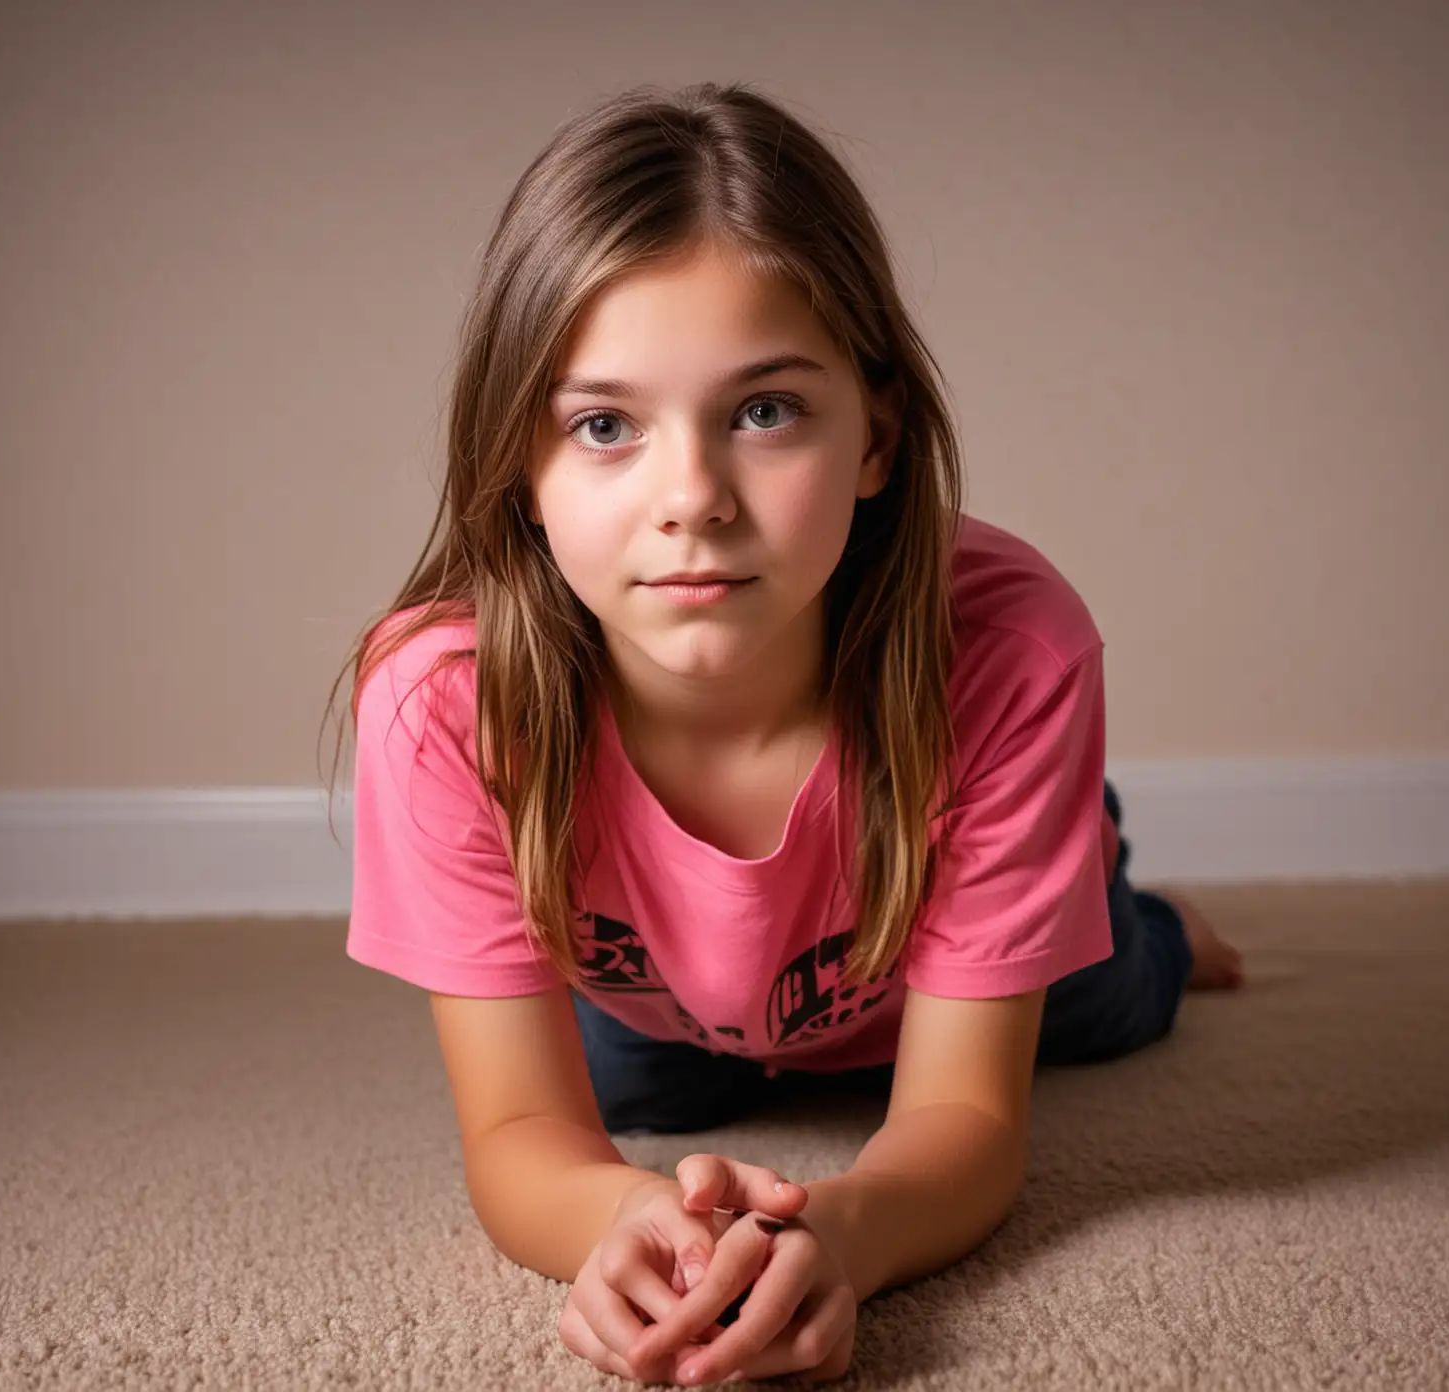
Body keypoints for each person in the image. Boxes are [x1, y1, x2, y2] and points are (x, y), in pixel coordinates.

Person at [325, 80, 1244, 1387]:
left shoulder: (1011, 651)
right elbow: (525, 1128)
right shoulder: (440, 699)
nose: (691, 499)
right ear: (519, 467)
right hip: (664, 992)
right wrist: (625, 1221)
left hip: (942, 950)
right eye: (604, 426)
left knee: (1110, 1001)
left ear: (875, 432)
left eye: (763, 411)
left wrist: (843, 1238)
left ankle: (1136, 908)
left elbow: (966, 1121)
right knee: (638, 1104)